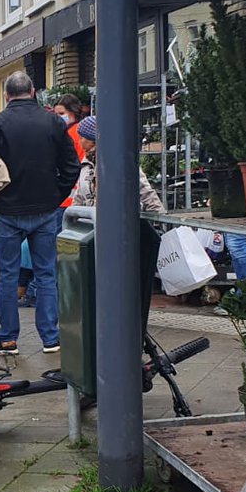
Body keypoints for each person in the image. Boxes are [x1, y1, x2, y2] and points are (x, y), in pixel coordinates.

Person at [0, 71, 79, 354]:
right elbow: (71, 166)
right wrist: (56, 195)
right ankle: (51, 339)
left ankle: (8, 339)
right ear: (34, 91)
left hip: (7, 211)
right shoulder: (53, 122)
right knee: (46, 275)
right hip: (45, 209)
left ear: (6, 95)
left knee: (8, 275)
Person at [70, 114, 166, 344]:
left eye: (82, 137)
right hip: (92, 235)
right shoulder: (85, 165)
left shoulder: (118, 160)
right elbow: (80, 197)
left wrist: (161, 219)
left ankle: (117, 323)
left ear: (91, 140)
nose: (80, 140)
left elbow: (144, 190)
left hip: (118, 235)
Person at [51, 94, 92, 234]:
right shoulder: (75, 131)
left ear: (73, 112)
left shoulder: (71, 134)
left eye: (61, 114)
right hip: (72, 197)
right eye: (56, 114)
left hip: (67, 198)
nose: (58, 117)